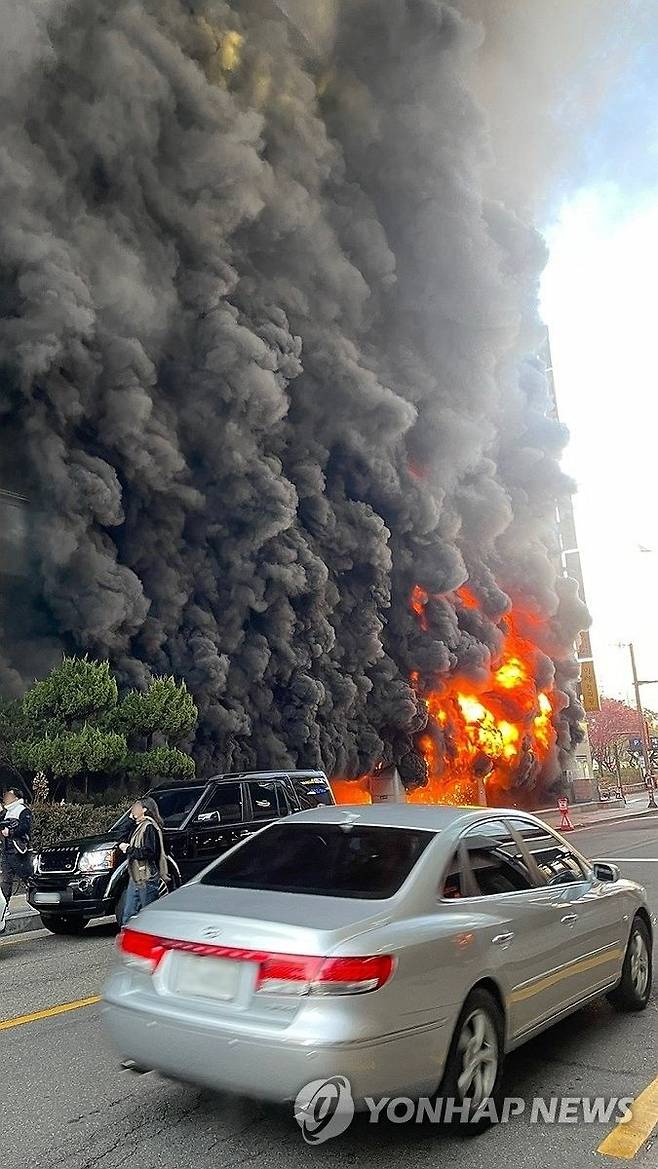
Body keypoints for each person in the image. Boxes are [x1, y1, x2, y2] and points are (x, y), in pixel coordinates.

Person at [118, 797, 168, 925]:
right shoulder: (137, 826)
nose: (133, 810)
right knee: (128, 915)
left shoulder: (149, 827)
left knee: (148, 915)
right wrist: (130, 819)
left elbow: (149, 852)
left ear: (145, 809)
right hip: (136, 876)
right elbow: (121, 835)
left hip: (147, 876)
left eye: (136, 807)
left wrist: (129, 849)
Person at [1, 786, 33, 907]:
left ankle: (35, 899)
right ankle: (4, 908)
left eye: (9, 795)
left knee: (26, 876)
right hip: (6, 849)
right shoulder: (7, 811)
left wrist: (11, 832)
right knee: (6, 880)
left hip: (18, 849)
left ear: (16, 798)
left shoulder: (23, 810)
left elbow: (25, 827)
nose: (6, 798)